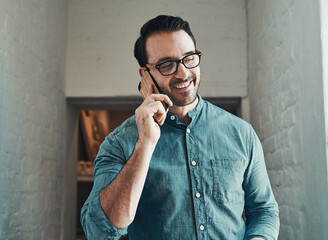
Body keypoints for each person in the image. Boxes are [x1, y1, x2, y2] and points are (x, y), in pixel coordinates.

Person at [81, 15, 280, 240]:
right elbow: (99, 231)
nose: (183, 73)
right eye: (167, 64)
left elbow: (264, 211)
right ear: (145, 75)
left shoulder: (242, 134)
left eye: (189, 58)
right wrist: (145, 144)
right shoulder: (120, 143)